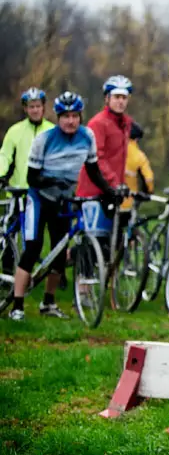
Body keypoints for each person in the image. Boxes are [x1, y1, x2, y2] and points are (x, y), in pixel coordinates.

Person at [10, 92, 112, 321]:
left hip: (63, 201)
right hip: (39, 198)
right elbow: (32, 178)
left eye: (75, 116)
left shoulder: (87, 137)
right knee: (33, 249)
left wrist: (109, 191)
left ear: (80, 116)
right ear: (58, 117)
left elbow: (93, 170)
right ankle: (17, 305)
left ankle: (48, 302)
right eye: (65, 116)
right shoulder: (44, 139)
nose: (70, 121)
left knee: (59, 254)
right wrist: (53, 182)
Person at [75, 75, 133, 240]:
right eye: (116, 97)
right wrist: (115, 183)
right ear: (107, 98)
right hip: (93, 190)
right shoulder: (98, 123)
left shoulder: (124, 123)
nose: (120, 101)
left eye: (124, 97)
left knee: (111, 243)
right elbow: (98, 158)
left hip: (110, 191)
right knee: (92, 243)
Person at [0, 87, 54, 191]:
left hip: (44, 192)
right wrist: (1, 174)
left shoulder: (52, 131)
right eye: (31, 107)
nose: (35, 110)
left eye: (38, 106)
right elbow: (4, 156)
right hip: (18, 191)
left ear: (43, 107)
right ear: (25, 109)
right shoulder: (14, 130)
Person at [120, 122, 155, 218]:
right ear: (137, 139)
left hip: (110, 201)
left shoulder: (114, 149)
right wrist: (148, 192)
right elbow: (149, 179)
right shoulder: (139, 156)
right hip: (129, 202)